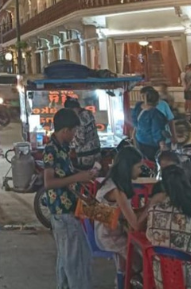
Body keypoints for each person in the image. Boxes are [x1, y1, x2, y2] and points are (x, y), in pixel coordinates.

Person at [42, 107, 97, 289]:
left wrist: (83, 177)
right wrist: (78, 178)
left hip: (69, 208)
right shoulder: (51, 150)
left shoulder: (63, 148)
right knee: (77, 260)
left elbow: (68, 175)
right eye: (74, 131)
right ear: (65, 130)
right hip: (62, 212)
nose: (75, 135)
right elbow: (49, 182)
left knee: (66, 258)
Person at [146, 165, 191, 288]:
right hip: (190, 283)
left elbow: (150, 237)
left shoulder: (153, 211)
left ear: (163, 187)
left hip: (162, 279)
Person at [94, 145, 148, 269]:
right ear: (128, 167)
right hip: (109, 237)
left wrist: (145, 209)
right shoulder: (117, 191)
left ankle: (124, 278)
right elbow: (136, 225)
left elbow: (126, 212)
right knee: (143, 262)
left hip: (111, 231)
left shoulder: (114, 181)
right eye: (139, 167)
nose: (141, 171)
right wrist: (151, 205)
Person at [64, 97, 101, 171]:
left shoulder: (79, 118)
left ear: (72, 109)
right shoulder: (88, 113)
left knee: (87, 179)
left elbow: (80, 141)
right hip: (97, 154)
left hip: (87, 157)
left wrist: (68, 139)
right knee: (95, 177)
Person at [134, 87, 170, 163]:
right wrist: (162, 145)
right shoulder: (155, 114)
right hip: (151, 146)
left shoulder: (138, 108)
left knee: (145, 163)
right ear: (157, 101)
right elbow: (156, 131)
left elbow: (134, 123)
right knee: (153, 165)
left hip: (139, 141)